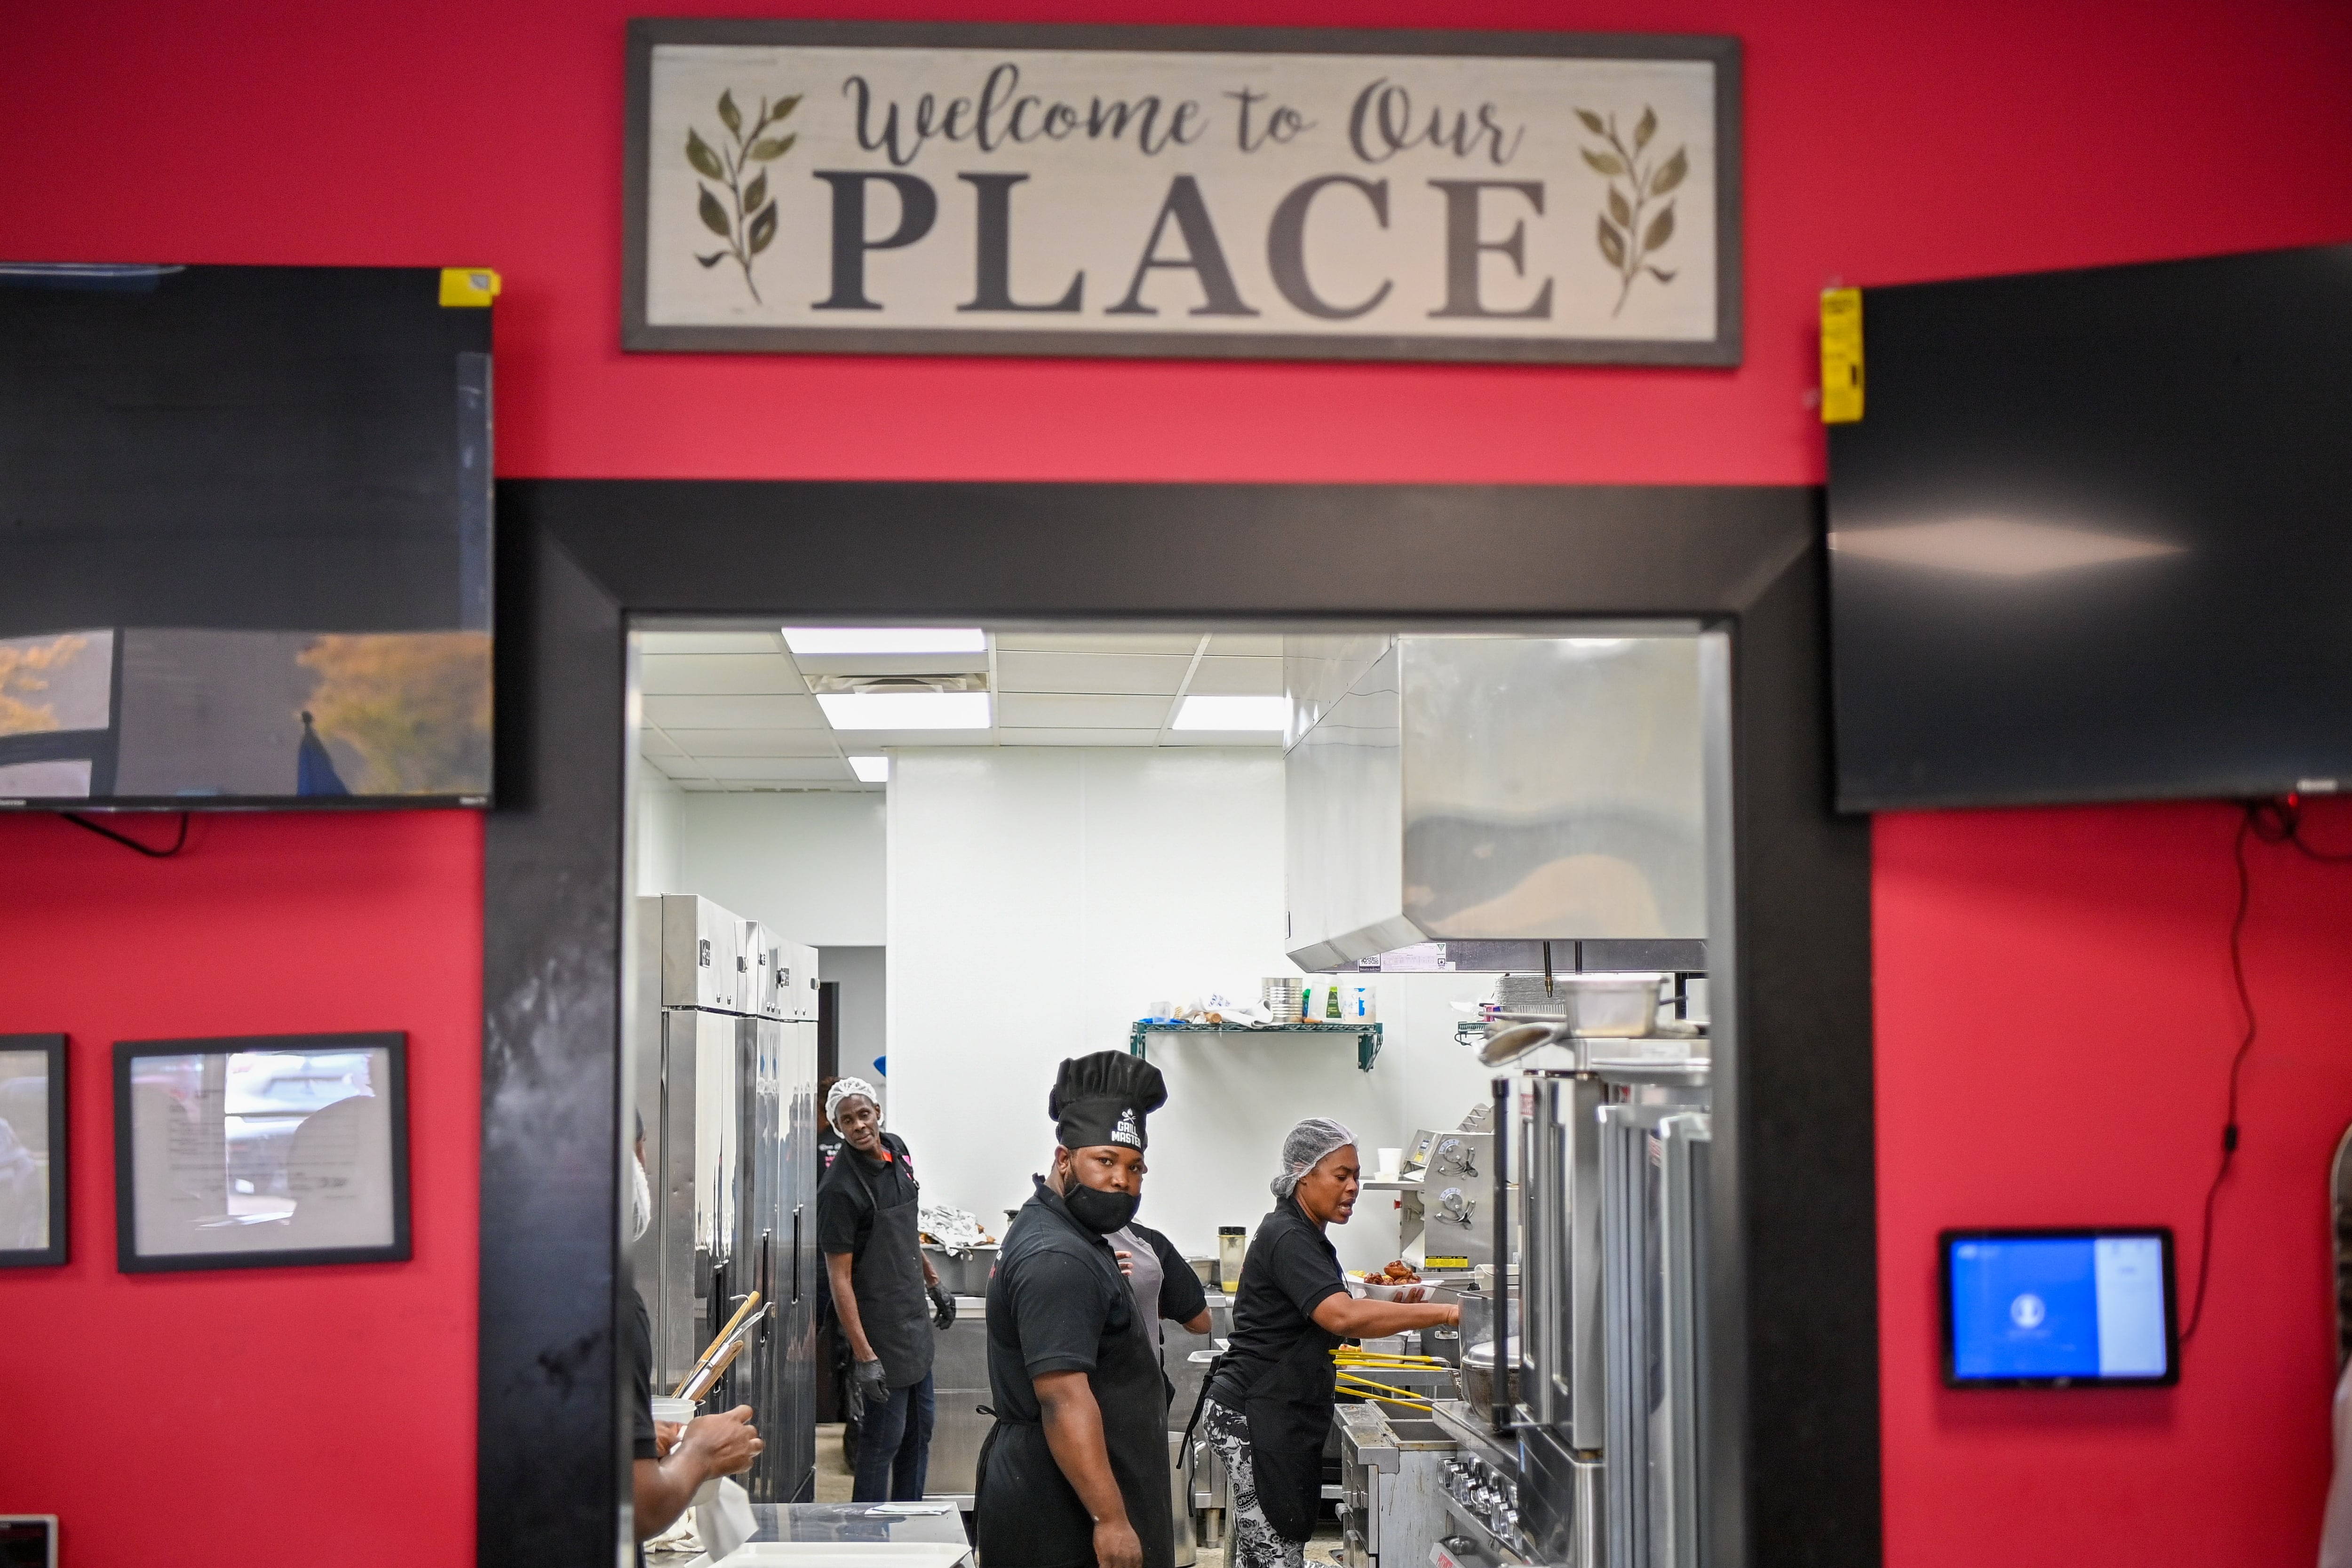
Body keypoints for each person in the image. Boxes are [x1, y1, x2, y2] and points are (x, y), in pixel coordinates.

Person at [1198, 1119, 1460, 1568]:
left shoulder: (1307, 1234)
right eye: (1342, 1175)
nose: (1354, 1187)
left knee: (1273, 1547)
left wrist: (1390, 1304)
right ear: (1303, 1174)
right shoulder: (1289, 1236)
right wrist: (1448, 1311)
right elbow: (1340, 1314)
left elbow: (1328, 1315)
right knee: (1275, 1550)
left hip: (1274, 1408)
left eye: (1356, 1176)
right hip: (1257, 1412)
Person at [977, 1051, 1176, 1568]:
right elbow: (1063, 1400)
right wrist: (1110, 1520)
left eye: (1134, 1169)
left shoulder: (1071, 1234)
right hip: (1061, 1508)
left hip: (1072, 1491)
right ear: (1065, 1160)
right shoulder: (1056, 1256)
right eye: (1105, 1161)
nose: (1122, 1181)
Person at [625, 1112, 763, 1546]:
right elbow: (640, 1508)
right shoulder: (607, 1303)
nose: (645, 1169)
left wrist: (637, 1425)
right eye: (640, 1148)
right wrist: (702, 1452)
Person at [818, 1075, 952, 1502]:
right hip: (877, 1331)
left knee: (920, 1432)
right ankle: (867, 1540)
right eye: (847, 1120)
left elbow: (905, 1228)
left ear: (878, 1112)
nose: (859, 1125)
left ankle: (910, 1526)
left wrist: (933, 1282)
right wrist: (864, 1356)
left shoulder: (898, 1151)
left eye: (864, 1114)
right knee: (882, 1442)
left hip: (913, 1320)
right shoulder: (839, 1190)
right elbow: (839, 1279)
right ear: (838, 1128)